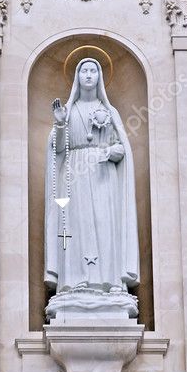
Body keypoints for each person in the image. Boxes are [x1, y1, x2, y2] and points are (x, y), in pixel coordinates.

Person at [44, 57, 139, 320]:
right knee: (76, 226)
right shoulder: (68, 111)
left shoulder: (110, 112)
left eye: (93, 71)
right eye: (84, 71)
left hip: (104, 177)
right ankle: (74, 282)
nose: (88, 75)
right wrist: (60, 123)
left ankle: (110, 282)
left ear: (99, 77)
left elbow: (121, 147)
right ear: (77, 77)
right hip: (74, 176)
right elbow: (58, 150)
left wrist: (111, 152)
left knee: (106, 226)